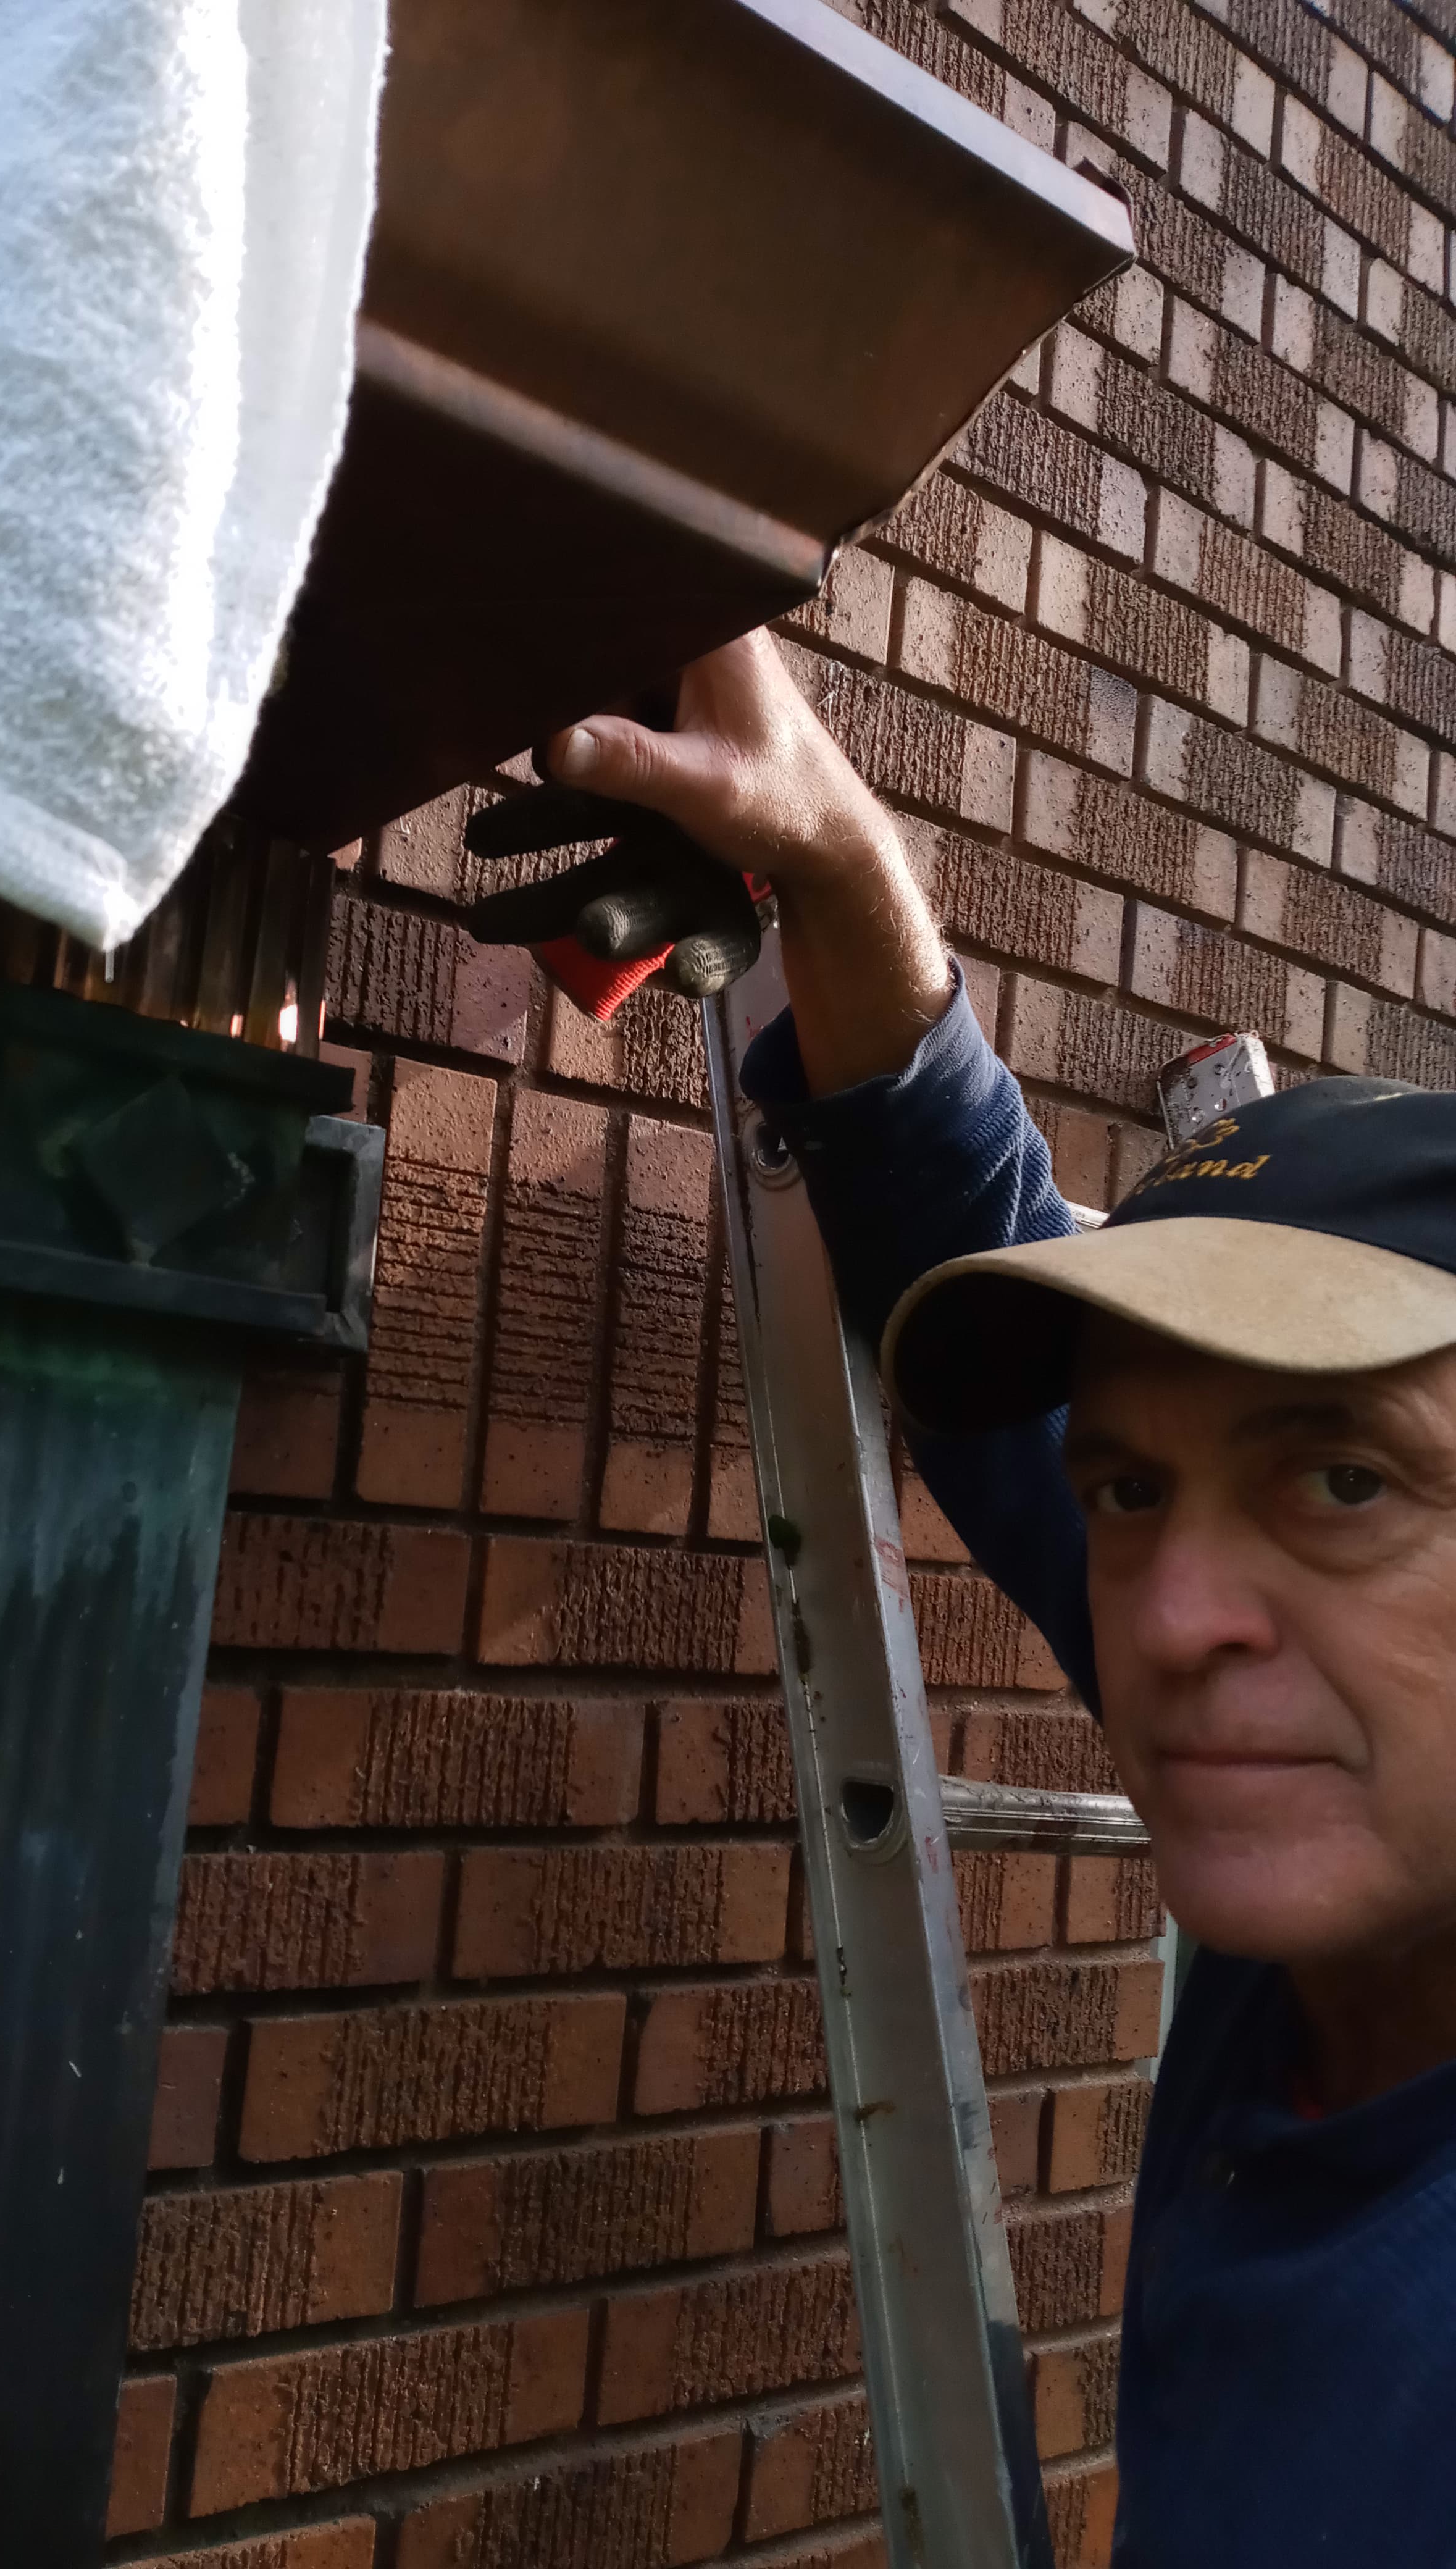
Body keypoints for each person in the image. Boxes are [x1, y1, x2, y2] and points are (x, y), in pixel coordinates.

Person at [503, 628, 1456, 2565]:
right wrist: (842, 875)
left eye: (1344, 1479)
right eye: (1127, 1487)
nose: (1172, 1619)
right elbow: (966, 1223)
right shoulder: (1341, 1884)